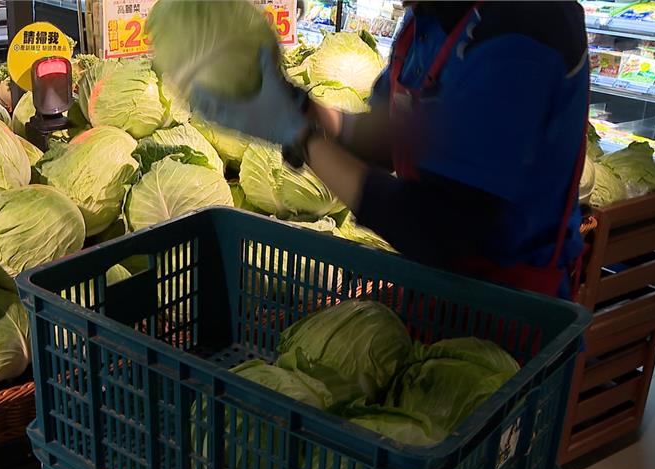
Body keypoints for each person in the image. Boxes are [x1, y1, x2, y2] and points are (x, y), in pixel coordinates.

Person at [191, 1, 589, 299]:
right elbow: (393, 137)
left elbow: (440, 226)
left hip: (513, 310)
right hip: (435, 287)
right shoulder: (430, 17)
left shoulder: (526, 25)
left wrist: (302, 138)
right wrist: (301, 107)